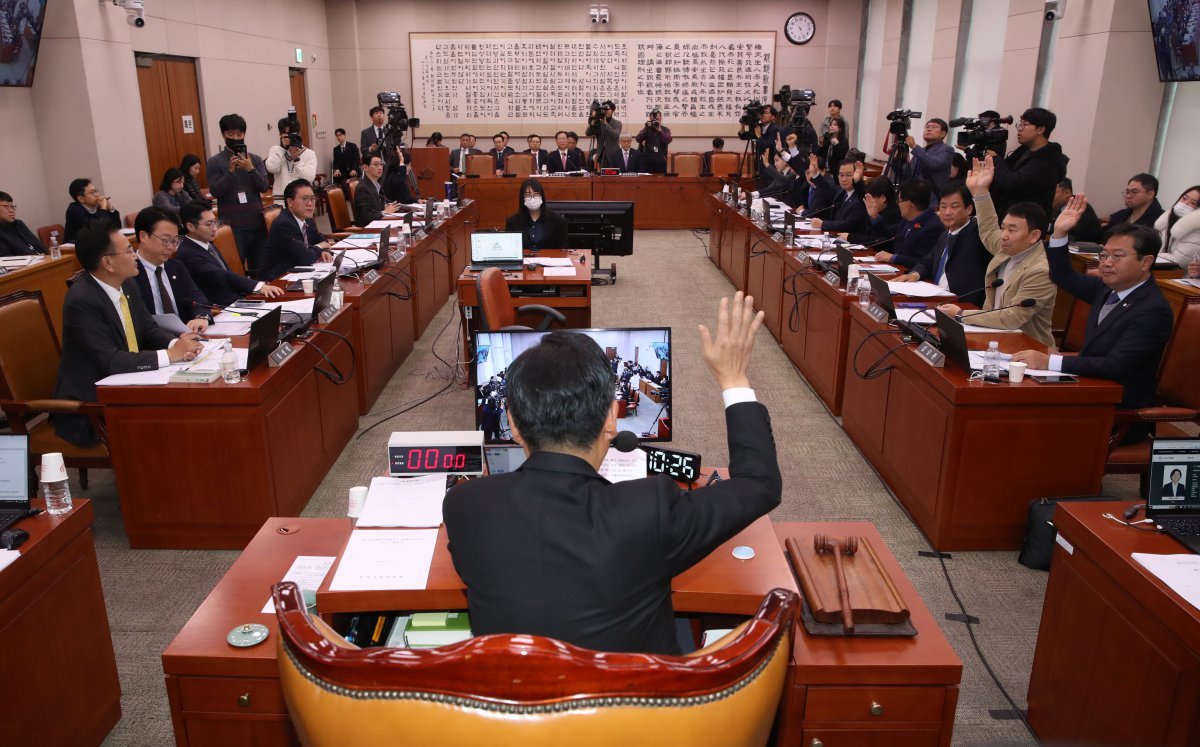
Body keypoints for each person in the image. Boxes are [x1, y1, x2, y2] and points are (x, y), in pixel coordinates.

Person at [443, 292, 780, 655]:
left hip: (516, 705)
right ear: (611, 419)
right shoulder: (650, 509)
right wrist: (734, 380)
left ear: (513, 423)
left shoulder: (464, 505)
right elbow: (758, 483)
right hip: (633, 705)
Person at [1012, 197, 1173, 435]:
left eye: (1117, 257)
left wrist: (1050, 361)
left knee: (1025, 420)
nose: (1107, 263)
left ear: (1146, 262)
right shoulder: (1107, 289)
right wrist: (1058, 234)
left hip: (1118, 411)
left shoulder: (1153, 310)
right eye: (1104, 255)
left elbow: (1115, 365)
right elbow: (1062, 276)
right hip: (1087, 388)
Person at [53, 222, 204, 447]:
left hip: (128, 384)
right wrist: (170, 355)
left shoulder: (127, 284)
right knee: (175, 421)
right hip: (93, 406)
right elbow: (110, 360)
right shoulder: (82, 301)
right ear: (108, 263)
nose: (135, 256)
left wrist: (179, 342)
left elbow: (147, 328)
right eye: (129, 251)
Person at [936, 157, 1056, 346]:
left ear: (1034, 236)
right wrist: (981, 192)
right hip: (994, 336)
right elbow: (988, 229)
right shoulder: (1008, 249)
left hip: (1027, 348)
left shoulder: (1040, 270)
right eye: (1004, 228)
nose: (1004, 235)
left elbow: (1013, 317)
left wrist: (961, 314)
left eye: (1012, 230)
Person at [894, 183, 992, 306]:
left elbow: (989, 224)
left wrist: (981, 193)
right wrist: (915, 274)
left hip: (961, 305)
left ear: (969, 209)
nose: (947, 212)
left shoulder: (978, 234)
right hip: (935, 300)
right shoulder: (945, 235)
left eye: (954, 207)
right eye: (943, 206)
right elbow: (927, 262)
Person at [176, 201, 283, 306]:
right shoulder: (188, 253)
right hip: (221, 307)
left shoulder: (207, 243)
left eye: (215, 222)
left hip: (238, 298)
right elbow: (220, 274)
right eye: (209, 224)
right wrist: (258, 286)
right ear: (190, 227)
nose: (214, 228)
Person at [206, 113, 269, 275]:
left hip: (256, 222)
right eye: (231, 134)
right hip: (231, 225)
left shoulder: (254, 159)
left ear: (244, 135)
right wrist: (230, 172)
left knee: (260, 268)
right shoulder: (215, 162)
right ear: (223, 135)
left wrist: (251, 170)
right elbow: (215, 191)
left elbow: (264, 186)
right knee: (235, 269)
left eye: (239, 134)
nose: (236, 138)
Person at [131, 206, 211, 333]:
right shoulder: (128, 273)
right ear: (143, 236)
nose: (171, 248)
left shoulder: (176, 267)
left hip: (187, 338)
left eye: (175, 241)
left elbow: (198, 299)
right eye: (165, 240)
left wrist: (201, 317)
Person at [988, 107, 1068, 220]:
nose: (1019, 129)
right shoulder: (1022, 152)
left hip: (1027, 224)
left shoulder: (1048, 161)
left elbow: (1013, 183)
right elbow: (1001, 177)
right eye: (1019, 124)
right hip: (1007, 217)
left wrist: (995, 160)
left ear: (1040, 129)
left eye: (1024, 125)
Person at [258, 179, 333, 281]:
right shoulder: (284, 224)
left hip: (298, 273)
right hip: (277, 280)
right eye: (304, 199)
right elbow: (305, 258)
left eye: (312, 199)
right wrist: (319, 248)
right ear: (290, 202)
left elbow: (323, 241)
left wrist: (321, 251)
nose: (310, 203)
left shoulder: (306, 219)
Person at [873, 179, 943, 268]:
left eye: (899, 201)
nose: (898, 204)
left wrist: (894, 257)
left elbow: (923, 262)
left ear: (908, 204)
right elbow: (886, 233)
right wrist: (874, 217)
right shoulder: (907, 219)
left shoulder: (932, 227)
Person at [504, 178, 568, 251]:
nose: (532, 198)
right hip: (525, 261)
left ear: (542, 196)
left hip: (548, 261)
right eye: (528, 195)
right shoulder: (512, 222)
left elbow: (562, 251)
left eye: (536, 194)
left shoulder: (558, 221)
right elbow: (510, 250)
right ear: (523, 198)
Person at [809, 160, 869, 235]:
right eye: (841, 175)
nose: (844, 179)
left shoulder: (861, 198)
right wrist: (815, 174)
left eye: (848, 175)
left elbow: (848, 225)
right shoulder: (842, 192)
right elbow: (826, 187)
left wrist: (823, 224)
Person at [265, 117, 317, 199]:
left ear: (299, 133)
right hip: (281, 200)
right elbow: (271, 168)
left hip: (301, 200)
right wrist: (283, 149)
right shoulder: (276, 150)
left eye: (293, 134)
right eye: (287, 135)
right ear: (280, 135)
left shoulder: (309, 153)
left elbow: (309, 178)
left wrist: (297, 159)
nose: (290, 138)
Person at [843, 176, 902, 247]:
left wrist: (851, 238)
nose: (868, 201)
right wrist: (857, 181)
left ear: (883, 198)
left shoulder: (894, 215)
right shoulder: (877, 208)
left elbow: (880, 241)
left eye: (871, 197)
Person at [906, 118, 954, 203]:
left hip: (931, 197)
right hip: (913, 195)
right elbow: (907, 174)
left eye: (934, 127)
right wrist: (897, 160)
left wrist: (915, 147)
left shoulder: (947, 149)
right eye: (927, 126)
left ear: (943, 133)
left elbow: (934, 164)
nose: (929, 129)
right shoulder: (921, 150)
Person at [1155, 184, 1200, 272]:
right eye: (1184, 198)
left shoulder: (1197, 229)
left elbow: (1179, 261)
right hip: (1160, 273)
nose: (1185, 204)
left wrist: (1152, 254)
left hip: (1179, 279)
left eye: (1193, 203)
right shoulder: (1167, 220)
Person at [354, 153, 402, 226]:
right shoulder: (363, 188)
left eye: (381, 164)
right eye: (376, 164)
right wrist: (385, 211)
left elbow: (374, 209)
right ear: (365, 167)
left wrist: (385, 207)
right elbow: (367, 217)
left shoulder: (376, 185)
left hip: (379, 225)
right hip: (368, 231)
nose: (380, 167)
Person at [1052, 178, 1103, 244]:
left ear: (1067, 193)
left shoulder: (1080, 208)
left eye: (1052, 192)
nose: (1048, 196)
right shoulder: (1057, 207)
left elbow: (1073, 237)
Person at [0, 191, 45, 256]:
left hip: (43, 260)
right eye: (6, 206)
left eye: (12, 206)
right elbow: (6, 259)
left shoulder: (18, 223)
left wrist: (44, 253)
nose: (11, 210)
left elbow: (38, 245)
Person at [635, 110, 672, 174]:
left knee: (661, 182)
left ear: (661, 118)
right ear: (650, 119)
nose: (655, 121)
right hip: (647, 161)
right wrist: (646, 128)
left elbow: (668, 140)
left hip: (661, 161)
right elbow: (638, 139)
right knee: (646, 182)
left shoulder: (665, 130)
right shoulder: (647, 129)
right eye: (653, 119)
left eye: (657, 119)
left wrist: (660, 131)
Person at [593, 100, 622, 168]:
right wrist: (593, 120)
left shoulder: (618, 123)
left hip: (614, 154)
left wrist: (606, 124)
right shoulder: (599, 123)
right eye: (604, 109)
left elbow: (615, 135)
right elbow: (588, 133)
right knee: (604, 177)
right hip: (601, 154)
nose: (606, 111)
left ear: (612, 111)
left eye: (608, 109)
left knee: (614, 176)